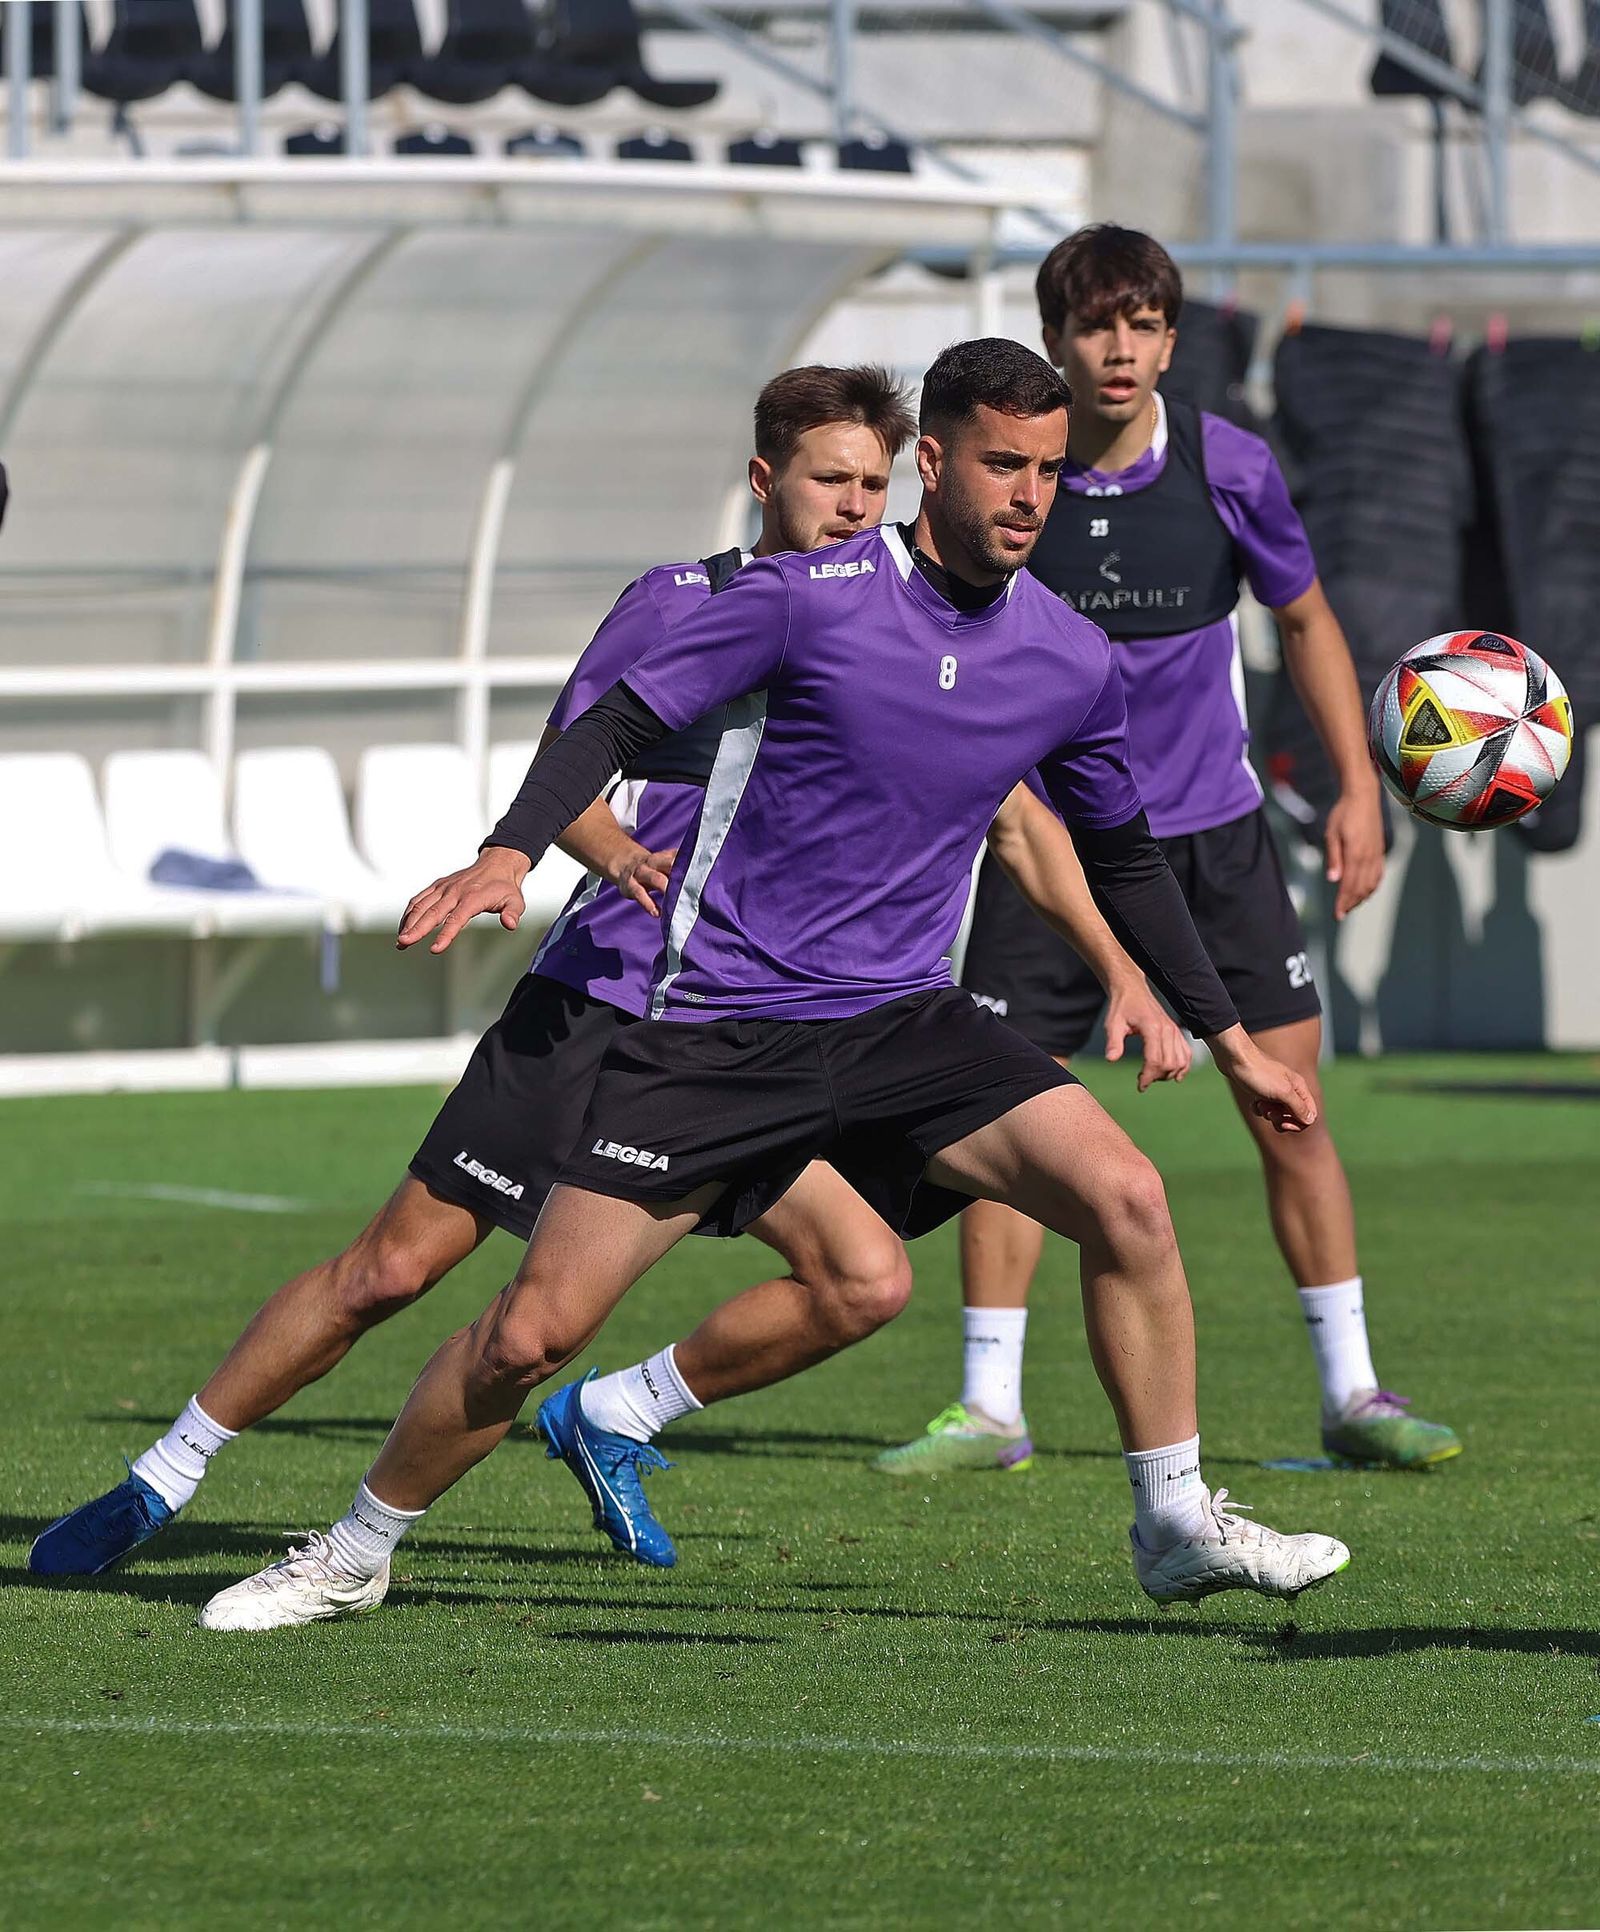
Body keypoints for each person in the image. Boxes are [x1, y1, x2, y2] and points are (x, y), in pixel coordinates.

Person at [196, 338, 1352, 1632]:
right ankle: (353, 1550)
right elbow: (616, 722)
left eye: (1049, 469)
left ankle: (1174, 1518)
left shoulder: (1067, 656)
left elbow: (1123, 852)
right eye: (1001, 465)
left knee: (1127, 1196)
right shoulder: (810, 597)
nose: (1032, 495)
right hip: (717, 1032)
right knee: (530, 1336)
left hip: (903, 1024)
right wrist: (510, 852)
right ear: (932, 464)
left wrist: (1230, 1036)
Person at [876, 227, 1460, 1478]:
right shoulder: (1007, 485)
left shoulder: (1224, 463)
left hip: (1214, 847)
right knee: (1004, 1115)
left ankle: (1353, 1394)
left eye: (1142, 324)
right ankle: (989, 1409)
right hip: (1050, 851)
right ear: (1054, 341)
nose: (1119, 348)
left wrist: (1358, 784)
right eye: (1094, 325)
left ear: (1171, 340)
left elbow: (1303, 619)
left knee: (1293, 1113)